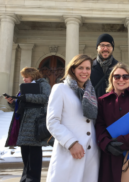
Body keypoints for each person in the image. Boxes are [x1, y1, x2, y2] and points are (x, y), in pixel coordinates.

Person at [46, 54, 99, 182]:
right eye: (81, 68)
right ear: (73, 69)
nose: (85, 72)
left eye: (88, 68)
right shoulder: (60, 88)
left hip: (91, 155)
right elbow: (52, 122)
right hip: (69, 152)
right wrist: (71, 143)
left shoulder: (91, 91)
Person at [4, 67, 51, 182]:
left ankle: (33, 179)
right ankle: (25, 178)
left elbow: (47, 98)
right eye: (23, 77)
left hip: (36, 124)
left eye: (26, 77)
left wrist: (27, 97)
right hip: (24, 124)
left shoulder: (43, 84)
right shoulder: (24, 88)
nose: (24, 79)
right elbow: (21, 104)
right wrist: (12, 102)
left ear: (33, 75)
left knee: (34, 154)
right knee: (25, 153)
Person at [90, 33, 119, 98]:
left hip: (114, 106)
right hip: (94, 106)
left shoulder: (120, 68)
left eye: (108, 45)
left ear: (112, 48)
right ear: (97, 48)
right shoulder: (89, 68)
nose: (105, 49)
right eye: (102, 45)